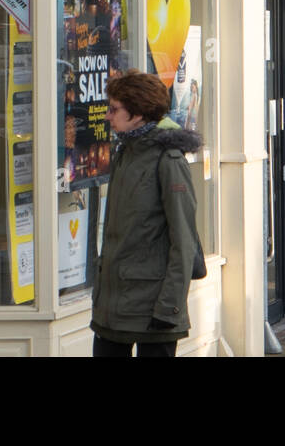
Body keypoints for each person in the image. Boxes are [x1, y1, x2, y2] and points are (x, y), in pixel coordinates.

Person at [91, 70, 201, 357]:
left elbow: (184, 240)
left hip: (154, 309)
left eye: (114, 109)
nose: (107, 116)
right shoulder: (125, 152)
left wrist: (169, 307)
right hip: (113, 308)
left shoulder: (168, 159)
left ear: (138, 113)